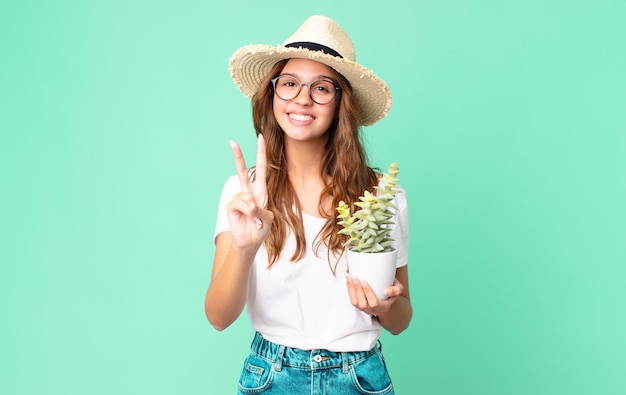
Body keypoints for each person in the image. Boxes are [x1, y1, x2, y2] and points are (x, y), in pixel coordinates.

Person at [204, 15, 411, 395]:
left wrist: (384, 306)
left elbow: (401, 319)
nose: (302, 98)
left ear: (340, 105)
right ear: (272, 95)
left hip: (359, 377)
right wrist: (245, 249)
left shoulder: (380, 196)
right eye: (289, 84)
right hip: (271, 376)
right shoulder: (244, 193)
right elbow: (218, 317)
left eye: (321, 88)